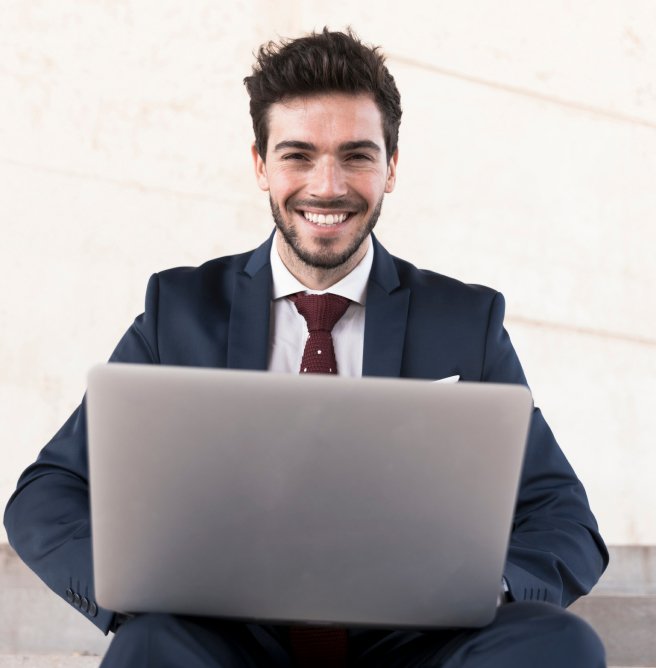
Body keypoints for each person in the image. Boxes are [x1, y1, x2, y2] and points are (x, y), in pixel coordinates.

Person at [4, 28, 608, 667]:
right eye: (298, 155)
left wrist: (496, 589)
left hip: (414, 647)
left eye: (356, 156)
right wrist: (134, 600)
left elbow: (561, 515)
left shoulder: (465, 321)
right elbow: (49, 492)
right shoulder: (178, 311)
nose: (327, 187)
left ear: (391, 167)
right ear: (261, 165)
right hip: (228, 643)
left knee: (560, 643)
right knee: (148, 645)